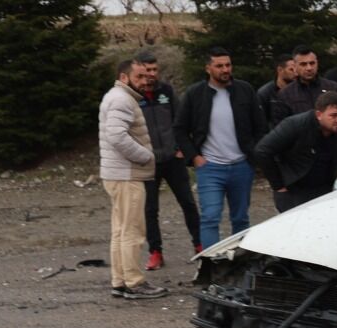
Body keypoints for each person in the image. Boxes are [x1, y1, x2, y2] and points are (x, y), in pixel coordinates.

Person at [175, 46, 267, 248]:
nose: (225, 70)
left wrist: (253, 155)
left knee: (241, 218)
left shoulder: (245, 90)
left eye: (228, 65)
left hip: (242, 165)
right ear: (208, 68)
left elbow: (260, 126)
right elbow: (180, 129)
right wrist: (195, 157)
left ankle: (240, 265)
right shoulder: (195, 94)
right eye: (219, 66)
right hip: (210, 167)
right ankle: (211, 266)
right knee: (210, 217)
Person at [98, 59, 167, 299]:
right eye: (138, 76)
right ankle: (134, 282)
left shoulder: (117, 97)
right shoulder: (122, 99)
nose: (145, 79)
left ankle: (120, 281)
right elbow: (116, 135)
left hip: (117, 174)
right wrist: (145, 156)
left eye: (146, 75)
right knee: (132, 231)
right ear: (124, 77)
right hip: (127, 175)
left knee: (120, 230)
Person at [132, 49, 201, 270]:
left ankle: (199, 246)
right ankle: (155, 252)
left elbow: (179, 121)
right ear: (139, 71)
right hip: (148, 162)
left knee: (188, 203)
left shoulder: (167, 91)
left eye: (154, 69)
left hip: (173, 159)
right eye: (147, 70)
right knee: (150, 209)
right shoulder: (132, 95)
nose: (151, 74)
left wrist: (181, 148)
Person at [254, 91, 337, 213]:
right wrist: (278, 186)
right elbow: (262, 151)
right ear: (319, 114)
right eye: (333, 115)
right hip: (295, 189)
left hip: (327, 187)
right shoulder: (295, 125)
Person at [275, 45, 337, 119]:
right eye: (303, 64)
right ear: (295, 66)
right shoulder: (285, 94)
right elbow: (280, 126)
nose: (309, 68)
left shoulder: (333, 88)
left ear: (317, 63)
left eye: (312, 63)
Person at [256, 53, 297, 128]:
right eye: (291, 69)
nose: (295, 73)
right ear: (280, 70)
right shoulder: (265, 93)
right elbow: (261, 121)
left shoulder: (298, 91)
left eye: (296, 69)